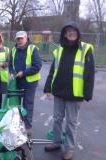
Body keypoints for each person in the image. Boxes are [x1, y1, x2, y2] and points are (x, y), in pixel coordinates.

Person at [43, 22, 95, 160]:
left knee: (71, 123)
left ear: (78, 33)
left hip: (75, 93)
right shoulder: (59, 49)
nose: (71, 33)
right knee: (57, 119)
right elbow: (53, 69)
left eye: (73, 30)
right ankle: (56, 142)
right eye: (68, 31)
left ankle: (69, 149)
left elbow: (90, 73)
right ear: (65, 34)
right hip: (59, 91)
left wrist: (88, 93)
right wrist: (48, 87)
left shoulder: (86, 49)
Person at [9, 31, 42, 136]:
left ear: (26, 38)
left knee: (28, 104)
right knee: (16, 104)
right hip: (17, 81)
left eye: (21, 38)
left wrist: (23, 73)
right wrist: (12, 73)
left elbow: (37, 66)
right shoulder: (13, 50)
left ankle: (27, 127)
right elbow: (10, 64)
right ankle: (17, 124)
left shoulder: (33, 49)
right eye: (18, 38)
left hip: (30, 82)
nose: (19, 40)